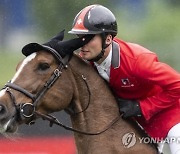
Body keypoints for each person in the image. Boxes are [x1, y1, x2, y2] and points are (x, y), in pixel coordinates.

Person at [68, 4, 180, 154]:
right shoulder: (89, 63)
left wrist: (141, 107)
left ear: (108, 39)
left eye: (88, 38)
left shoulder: (137, 62)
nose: (82, 44)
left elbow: (177, 85)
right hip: (140, 126)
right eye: (79, 38)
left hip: (172, 117)